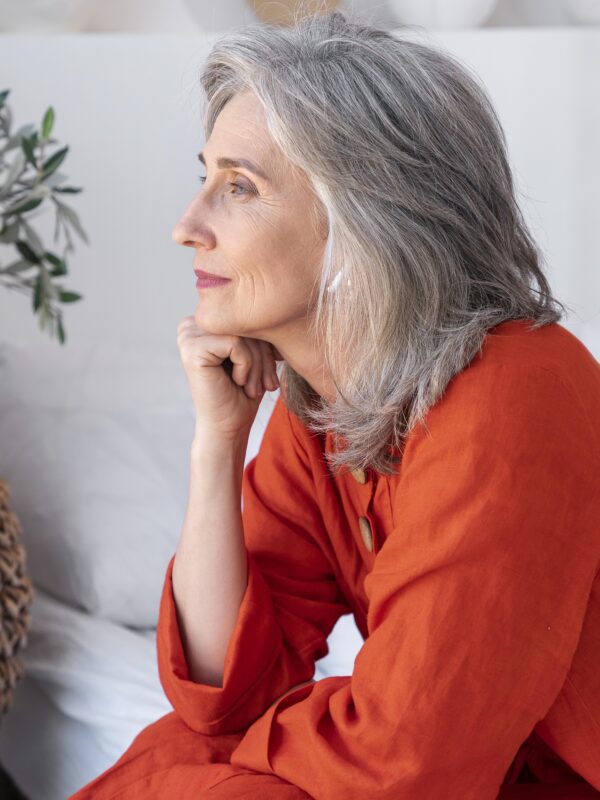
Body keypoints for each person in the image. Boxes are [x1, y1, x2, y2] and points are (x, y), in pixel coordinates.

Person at [69, 8, 600, 799]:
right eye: (203, 178)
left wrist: (246, 760)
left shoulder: (514, 387)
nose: (187, 226)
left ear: (363, 219)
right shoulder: (323, 404)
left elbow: (409, 762)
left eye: (238, 187)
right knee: (184, 749)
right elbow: (226, 693)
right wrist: (218, 442)